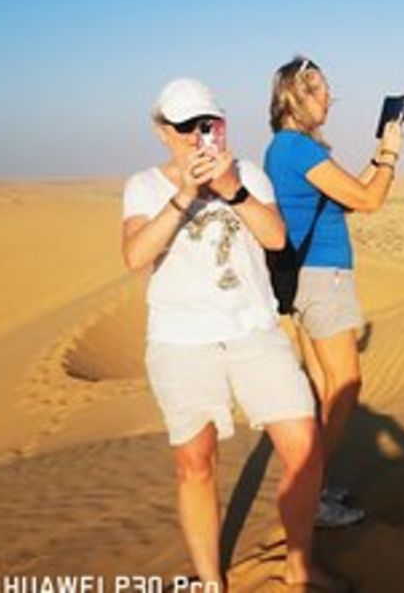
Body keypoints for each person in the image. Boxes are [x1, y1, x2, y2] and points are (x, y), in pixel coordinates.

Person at [121, 78, 342, 591]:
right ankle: (209, 579)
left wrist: (231, 190)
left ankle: (299, 566)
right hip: (181, 341)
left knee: (304, 448)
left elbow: (276, 237)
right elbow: (134, 256)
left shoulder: (249, 175)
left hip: (253, 331)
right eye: (187, 127)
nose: (200, 136)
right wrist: (184, 196)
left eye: (210, 124)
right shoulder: (144, 186)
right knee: (195, 464)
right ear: (163, 131)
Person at [264, 56, 404, 528]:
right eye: (318, 90)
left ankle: (313, 486)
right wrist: (391, 154)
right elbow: (370, 200)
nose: (328, 100)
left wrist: (375, 157)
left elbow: (351, 192)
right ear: (293, 96)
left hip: (309, 279)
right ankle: (307, 491)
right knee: (346, 387)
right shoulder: (297, 150)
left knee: (324, 388)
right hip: (323, 279)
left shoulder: (289, 149)